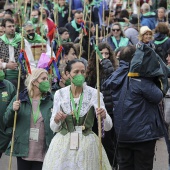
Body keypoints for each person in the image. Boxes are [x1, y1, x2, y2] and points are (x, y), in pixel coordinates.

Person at [104, 42, 166, 170]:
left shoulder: (115, 75)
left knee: (125, 167)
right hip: (142, 137)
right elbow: (158, 96)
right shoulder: (140, 79)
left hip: (122, 134)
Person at [42, 59, 113, 170]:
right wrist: (57, 119)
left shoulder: (94, 93)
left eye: (83, 72)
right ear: (67, 74)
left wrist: (104, 116)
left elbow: (108, 127)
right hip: (63, 145)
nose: (80, 75)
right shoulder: (60, 94)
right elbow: (53, 128)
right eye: (76, 72)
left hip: (87, 145)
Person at [3, 68, 54, 170]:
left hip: (43, 152)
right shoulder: (20, 98)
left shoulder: (51, 100)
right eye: (43, 78)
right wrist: (13, 110)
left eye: (47, 79)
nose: (46, 81)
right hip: (23, 150)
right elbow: (6, 121)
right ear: (34, 82)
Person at [86, 42, 117, 168]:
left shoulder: (113, 71)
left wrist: (107, 67)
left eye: (107, 54)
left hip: (108, 112)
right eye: (101, 53)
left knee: (108, 143)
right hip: (93, 113)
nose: (104, 56)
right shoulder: (91, 72)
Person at [0, 18, 35, 91]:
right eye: (9, 26)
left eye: (13, 26)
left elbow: (30, 60)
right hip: (4, 77)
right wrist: (6, 65)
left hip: (20, 76)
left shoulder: (22, 41)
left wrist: (31, 74)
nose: (12, 28)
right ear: (3, 28)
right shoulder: (1, 41)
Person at [0, 60, 16, 158]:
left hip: (2, 138)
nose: (1, 72)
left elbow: (15, 113)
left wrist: (8, 132)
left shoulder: (9, 86)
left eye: (1, 69)